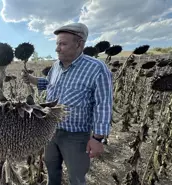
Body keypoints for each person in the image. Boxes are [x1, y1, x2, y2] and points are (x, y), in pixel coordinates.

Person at [21, 22, 113, 185]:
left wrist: (98, 139)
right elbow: (50, 84)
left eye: (63, 44)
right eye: (57, 43)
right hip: (50, 130)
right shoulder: (56, 66)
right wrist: (33, 80)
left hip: (76, 136)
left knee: (76, 177)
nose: (57, 48)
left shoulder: (97, 68)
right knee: (52, 171)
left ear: (79, 44)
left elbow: (103, 104)